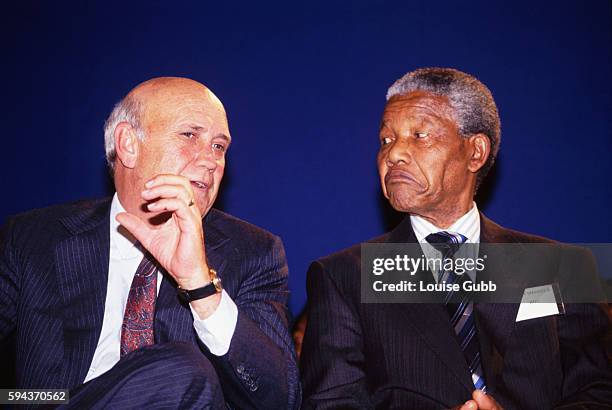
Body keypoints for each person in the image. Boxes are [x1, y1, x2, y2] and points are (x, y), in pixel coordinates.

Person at [300, 68, 611, 409]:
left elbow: (598, 393)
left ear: (475, 152)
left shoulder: (561, 267)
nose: (394, 154)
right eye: (386, 140)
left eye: (419, 136)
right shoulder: (344, 277)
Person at [0, 77, 300, 409]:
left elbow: (280, 401)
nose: (211, 160)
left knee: (184, 372)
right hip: (49, 402)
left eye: (219, 146)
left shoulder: (254, 252)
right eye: (190, 136)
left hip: (182, 388)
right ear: (128, 143)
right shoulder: (34, 236)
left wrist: (200, 286)